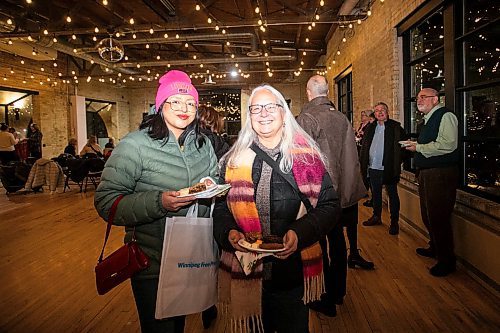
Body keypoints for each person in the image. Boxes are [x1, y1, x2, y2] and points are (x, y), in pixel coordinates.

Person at [94, 70, 218, 332]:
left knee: (179, 326)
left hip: (190, 256)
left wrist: (211, 186)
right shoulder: (135, 145)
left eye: (190, 103)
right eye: (175, 101)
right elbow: (107, 202)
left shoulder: (203, 144)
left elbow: (214, 177)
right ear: (160, 105)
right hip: (152, 262)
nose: (183, 108)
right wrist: (159, 202)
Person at [213, 84, 339, 332]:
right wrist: (228, 233)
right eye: (256, 108)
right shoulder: (233, 159)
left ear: (284, 114)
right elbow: (220, 208)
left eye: (271, 107)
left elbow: (330, 206)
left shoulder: (307, 158)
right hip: (248, 271)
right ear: (249, 117)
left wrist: (299, 233)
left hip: (291, 274)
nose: (264, 113)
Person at [296, 75, 370, 318]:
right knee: (338, 244)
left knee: (318, 244)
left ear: (309, 92)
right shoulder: (341, 118)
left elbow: (301, 161)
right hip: (341, 195)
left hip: (319, 194)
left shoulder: (306, 118)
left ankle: (324, 297)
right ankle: (338, 292)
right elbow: (350, 159)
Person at [405, 87, 459, 277]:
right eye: (418, 97)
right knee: (428, 215)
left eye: (423, 97)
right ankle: (434, 247)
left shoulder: (446, 116)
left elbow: (448, 145)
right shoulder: (426, 121)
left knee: (439, 217)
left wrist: (418, 147)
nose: (418, 100)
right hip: (428, 174)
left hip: (441, 174)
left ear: (435, 99)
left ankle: (447, 261)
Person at [359, 102, 407, 235]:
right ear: (374, 114)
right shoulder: (371, 127)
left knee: (392, 195)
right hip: (373, 167)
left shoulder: (395, 128)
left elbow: (403, 148)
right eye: (377, 110)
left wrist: (397, 162)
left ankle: (394, 222)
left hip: (389, 168)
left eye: (383, 110)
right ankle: (376, 217)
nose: (380, 112)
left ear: (387, 112)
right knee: (376, 193)